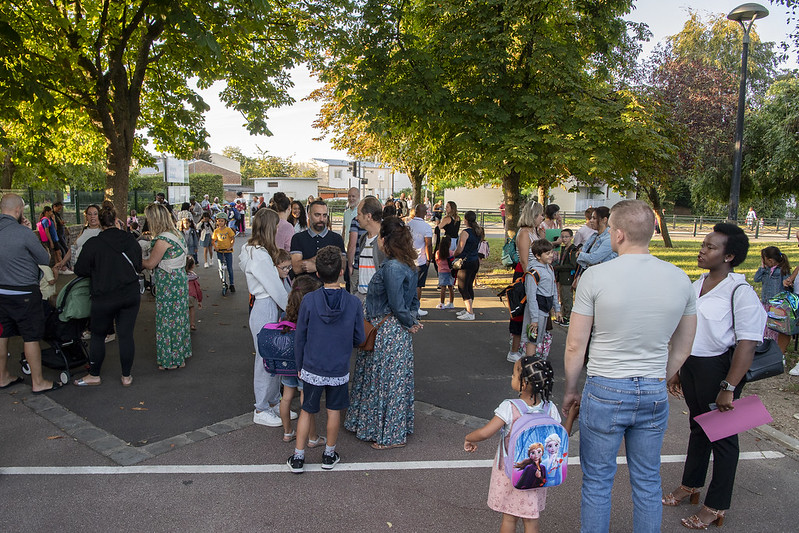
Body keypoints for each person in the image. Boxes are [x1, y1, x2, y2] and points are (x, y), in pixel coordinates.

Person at [561, 200, 697, 533]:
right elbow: (683, 346)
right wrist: (658, 377)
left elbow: (576, 344)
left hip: (606, 385)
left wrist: (571, 388)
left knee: (597, 480)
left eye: (608, 230)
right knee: (648, 479)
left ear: (619, 234)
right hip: (651, 388)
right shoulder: (680, 279)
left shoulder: (596, 276)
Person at [663, 223, 766, 530]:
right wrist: (678, 368)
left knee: (723, 439)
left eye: (710, 247)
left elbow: (747, 344)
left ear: (729, 256)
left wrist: (729, 387)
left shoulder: (739, 291)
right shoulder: (697, 285)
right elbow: (686, 331)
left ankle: (717, 505)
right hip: (692, 365)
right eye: (703, 244)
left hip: (720, 370)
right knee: (698, 428)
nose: (702, 250)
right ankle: (691, 485)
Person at [345, 216, 423, 449]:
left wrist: (409, 320)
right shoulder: (408, 264)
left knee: (383, 382)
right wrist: (412, 320)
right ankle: (392, 430)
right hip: (395, 331)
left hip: (385, 331)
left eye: (380, 236)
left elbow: (397, 304)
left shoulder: (392, 267)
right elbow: (412, 301)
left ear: (386, 240)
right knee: (393, 382)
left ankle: (389, 436)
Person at [288, 246, 365, 473]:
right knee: (334, 412)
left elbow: (300, 335)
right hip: (338, 366)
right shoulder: (352, 303)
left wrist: (299, 364)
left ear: (318, 274)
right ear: (342, 271)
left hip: (312, 364)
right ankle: (329, 455)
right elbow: (359, 337)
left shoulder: (310, 301)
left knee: (306, 411)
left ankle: (299, 457)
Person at [464, 356, 560, 533]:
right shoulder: (550, 408)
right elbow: (562, 436)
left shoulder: (509, 407)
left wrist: (469, 437)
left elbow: (485, 432)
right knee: (531, 519)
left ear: (523, 383)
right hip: (538, 476)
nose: (512, 378)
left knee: (509, 518)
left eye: (514, 375)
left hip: (511, 474)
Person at [72, 203, 142, 387]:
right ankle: (126, 376)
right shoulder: (129, 239)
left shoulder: (93, 243)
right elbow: (138, 264)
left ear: (100, 223)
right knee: (126, 335)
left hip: (103, 295)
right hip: (129, 293)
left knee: (97, 335)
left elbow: (80, 269)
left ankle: (94, 374)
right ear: (116, 220)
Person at [0, 193, 62, 394]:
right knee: (31, 337)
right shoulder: (23, 233)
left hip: (1, 293)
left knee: (2, 336)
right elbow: (44, 258)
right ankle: (38, 381)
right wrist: (29, 232)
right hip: (25, 293)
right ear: (18, 211)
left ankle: (2, 377)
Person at [240, 208, 295, 427]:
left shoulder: (252, 250)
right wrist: (294, 309)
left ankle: (273, 403)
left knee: (273, 357)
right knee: (266, 359)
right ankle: (262, 408)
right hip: (266, 305)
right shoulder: (261, 255)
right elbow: (276, 289)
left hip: (264, 305)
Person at [142, 203, 192, 370]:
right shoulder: (175, 234)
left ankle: (171, 359)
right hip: (178, 279)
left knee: (167, 319)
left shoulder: (163, 239)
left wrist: (136, 259)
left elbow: (150, 264)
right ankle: (180, 354)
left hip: (168, 282)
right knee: (179, 318)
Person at [508, 201, 544, 362]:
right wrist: (532, 278)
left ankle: (527, 347)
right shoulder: (524, 233)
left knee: (531, 313)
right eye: (540, 214)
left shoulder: (534, 232)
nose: (542, 217)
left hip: (534, 275)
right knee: (520, 312)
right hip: (526, 276)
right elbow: (524, 261)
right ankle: (514, 350)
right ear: (533, 216)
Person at [522, 239, 561, 358]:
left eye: (551, 252)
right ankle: (529, 367)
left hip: (545, 310)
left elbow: (553, 288)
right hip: (536, 311)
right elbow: (531, 297)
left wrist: (557, 308)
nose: (551, 256)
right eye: (547, 253)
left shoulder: (549, 268)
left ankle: (534, 364)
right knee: (532, 340)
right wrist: (534, 319)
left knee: (539, 338)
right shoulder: (533, 273)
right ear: (538, 256)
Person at [290, 200, 345, 278]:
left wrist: (317, 266)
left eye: (325, 215)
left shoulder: (336, 238)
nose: (321, 219)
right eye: (317, 215)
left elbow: (341, 267)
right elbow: (296, 268)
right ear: (309, 215)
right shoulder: (298, 238)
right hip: (305, 288)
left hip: (328, 289)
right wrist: (328, 263)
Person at [754, 246, 791, 351]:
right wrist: (762, 268)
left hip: (776, 304)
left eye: (764, 259)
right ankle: (765, 344)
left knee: (774, 327)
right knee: (765, 326)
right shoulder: (765, 270)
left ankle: (773, 346)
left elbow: (786, 287)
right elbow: (756, 279)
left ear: (770, 260)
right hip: (766, 302)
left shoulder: (782, 271)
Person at [573, 205, 616, 290]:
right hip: (590, 276)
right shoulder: (594, 236)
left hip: (603, 281)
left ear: (604, 220)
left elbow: (593, 258)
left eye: (594, 218)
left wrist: (581, 255)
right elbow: (583, 254)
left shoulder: (609, 238)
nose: (591, 221)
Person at [351, 196, 385, 298]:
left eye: (359, 214)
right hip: (361, 296)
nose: (357, 218)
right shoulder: (363, 238)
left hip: (377, 299)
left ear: (369, 216)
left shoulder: (385, 240)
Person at [453, 210, 483, 321]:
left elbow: (460, 248)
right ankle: (468, 308)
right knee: (469, 285)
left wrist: (454, 254)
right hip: (475, 260)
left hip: (465, 262)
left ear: (465, 220)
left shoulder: (465, 232)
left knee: (462, 287)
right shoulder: (478, 231)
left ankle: (470, 312)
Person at [408, 203, 433, 317]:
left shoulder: (408, 225)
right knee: (418, 285)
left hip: (408, 259)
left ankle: (408, 307)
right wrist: (429, 258)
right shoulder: (426, 227)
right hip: (421, 259)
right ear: (424, 213)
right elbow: (428, 244)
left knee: (409, 284)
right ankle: (416, 308)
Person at [553, 229, 578, 325]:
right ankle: (562, 316)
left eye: (566, 237)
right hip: (562, 277)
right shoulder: (564, 249)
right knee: (562, 297)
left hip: (568, 277)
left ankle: (568, 317)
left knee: (567, 298)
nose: (564, 239)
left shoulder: (573, 249)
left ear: (571, 237)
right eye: (562, 237)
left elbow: (572, 265)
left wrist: (558, 268)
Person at [212, 213, 236, 292]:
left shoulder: (228, 230)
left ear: (225, 222)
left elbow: (232, 238)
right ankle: (223, 282)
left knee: (229, 267)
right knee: (220, 268)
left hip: (227, 251)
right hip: (220, 251)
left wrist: (230, 246)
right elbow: (213, 240)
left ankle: (231, 283)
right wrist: (215, 248)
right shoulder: (216, 231)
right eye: (219, 221)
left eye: (222, 221)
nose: (220, 222)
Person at [435, 235, 455, 309]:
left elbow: (437, 261)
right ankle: (451, 303)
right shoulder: (451, 253)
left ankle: (442, 303)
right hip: (450, 271)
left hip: (442, 271)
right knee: (451, 287)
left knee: (443, 287)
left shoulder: (438, 253)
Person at [186, 257, 203, 331]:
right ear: (193, 266)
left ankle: (184, 323)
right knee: (191, 308)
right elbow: (198, 289)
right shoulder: (193, 277)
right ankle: (192, 324)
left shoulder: (182, 276)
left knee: (184, 309)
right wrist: (199, 300)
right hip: (191, 295)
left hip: (183, 295)